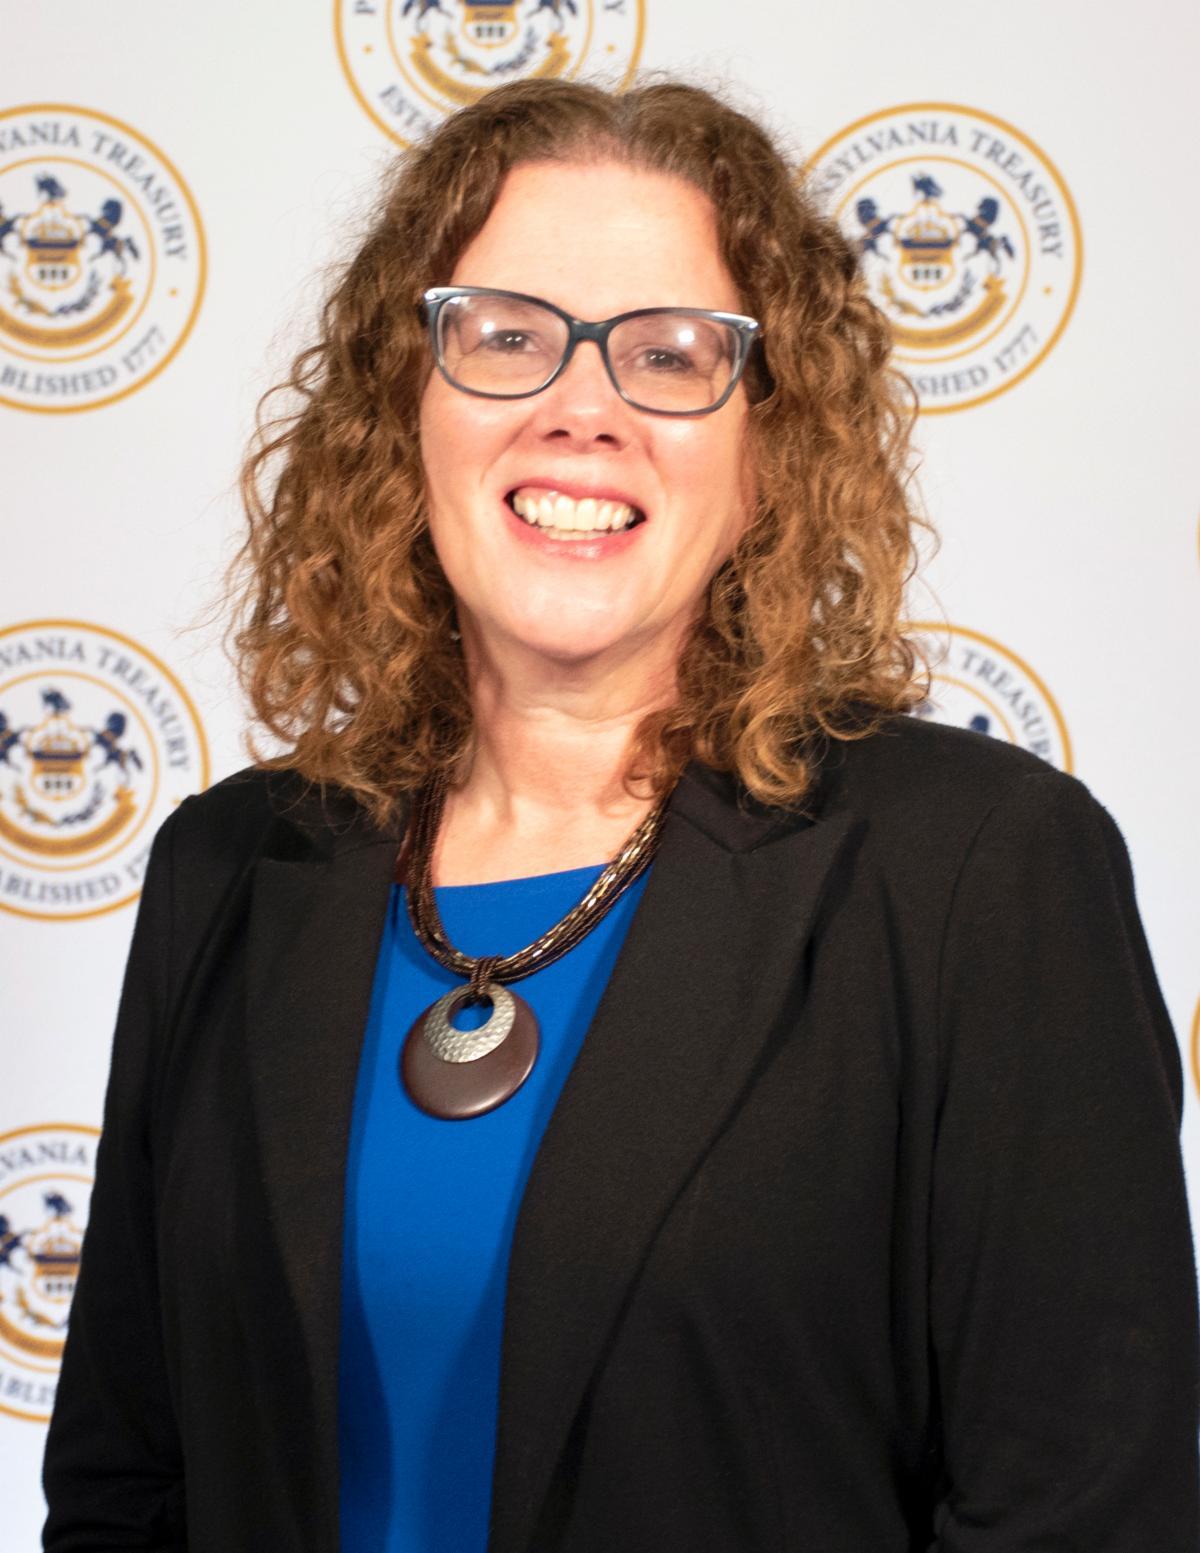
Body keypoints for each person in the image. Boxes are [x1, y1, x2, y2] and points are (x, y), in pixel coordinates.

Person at [42, 73, 1199, 1553]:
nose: (580, 409)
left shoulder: (976, 875)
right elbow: (126, 1483)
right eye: (507, 337)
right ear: (406, 414)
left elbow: (1080, 1513)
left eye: (669, 355)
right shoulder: (236, 866)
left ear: (769, 454)